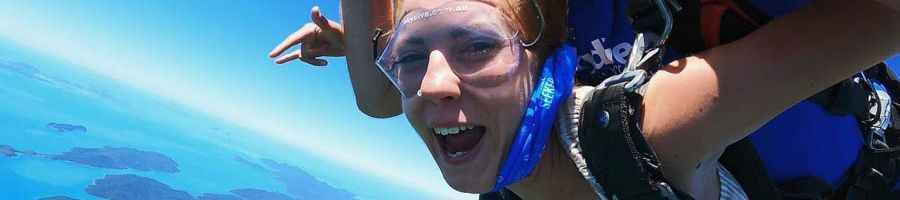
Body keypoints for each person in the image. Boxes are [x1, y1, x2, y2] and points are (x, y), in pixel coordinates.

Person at [269, 0, 900, 199]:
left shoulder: (634, 129)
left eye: (474, 48)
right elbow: (380, 94)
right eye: (413, 54)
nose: (433, 81)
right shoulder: (541, 38)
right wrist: (363, 38)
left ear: (540, 59)